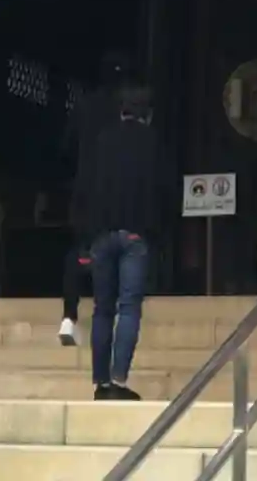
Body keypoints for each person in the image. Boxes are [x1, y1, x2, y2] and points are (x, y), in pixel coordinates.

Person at [69, 53, 166, 400]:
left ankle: (100, 383)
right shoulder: (152, 142)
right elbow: (160, 189)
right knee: (128, 307)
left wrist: (85, 235)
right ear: (146, 112)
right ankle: (119, 380)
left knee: (102, 309)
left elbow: (85, 188)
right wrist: (152, 230)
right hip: (134, 234)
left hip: (101, 235)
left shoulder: (101, 141)